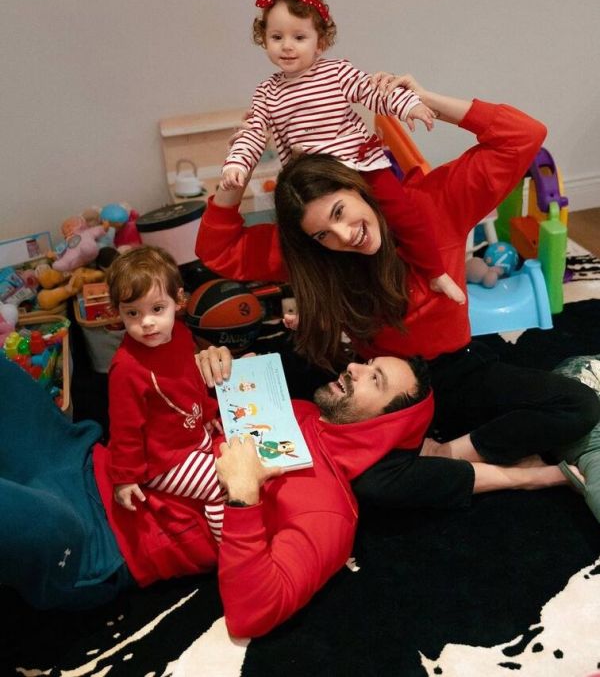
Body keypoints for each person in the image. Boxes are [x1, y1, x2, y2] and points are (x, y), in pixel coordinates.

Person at [195, 77, 600, 509]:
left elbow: (524, 135)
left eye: (340, 212)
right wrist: (237, 170)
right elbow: (216, 250)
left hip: (455, 372)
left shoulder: (431, 204)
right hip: (371, 378)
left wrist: (423, 99)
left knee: (577, 405)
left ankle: (449, 454)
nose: (344, 235)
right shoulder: (315, 255)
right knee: (240, 386)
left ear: (358, 187)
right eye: (323, 234)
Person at [1, 341, 575, 637]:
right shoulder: (294, 407)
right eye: (366, 363)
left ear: (386, 422)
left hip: (97, 540)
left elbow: (253, 613)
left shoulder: (332, 512)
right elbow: (180, 418)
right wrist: (205, 370)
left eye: (374, 379)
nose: (355, 369)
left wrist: (243, 498)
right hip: (82, 455)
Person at [219, 0, 464, 304]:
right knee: (318, 243)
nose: (287, 46)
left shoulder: (337, 73)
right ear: (264, 40)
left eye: (299, 37)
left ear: (319, 42)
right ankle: (331, 301)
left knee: (404, 215)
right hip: (317, 183)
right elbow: (251, 132)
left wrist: (409, 106)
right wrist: (236, 164)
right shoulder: (267, 93)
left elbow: (374, 92)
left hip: (361, 164)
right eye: (276, 37)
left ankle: (435, 273)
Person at [105, 246, 225, 541]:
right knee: (223, 482)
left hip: (192, 434)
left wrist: (208, 411)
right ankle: (229, 547)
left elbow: (191, 380)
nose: (146, 322)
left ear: (178, 301)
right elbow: (124, 428)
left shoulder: (180, 334)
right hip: (162, 461)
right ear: (118, 312)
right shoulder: (126, 369)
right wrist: (125, 478)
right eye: (132, 313)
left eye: (157, 309)